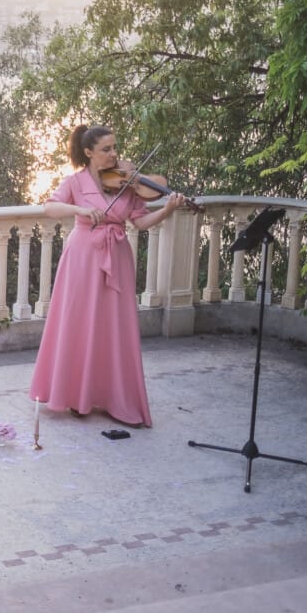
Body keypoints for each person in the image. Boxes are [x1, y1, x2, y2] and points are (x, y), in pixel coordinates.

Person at [28, 125, 185, 428]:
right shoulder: (75, 181)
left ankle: (116, 399)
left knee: (114, 326)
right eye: (106, 149)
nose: (114, 155)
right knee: (80, 323)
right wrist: (81, 210)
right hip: (83, 257)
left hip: (117, 257)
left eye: (115, 148)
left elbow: (139, 222)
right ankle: (78, 397)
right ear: (88, 152)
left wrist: (167, 209)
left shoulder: (127, 183)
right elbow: (49, 207)